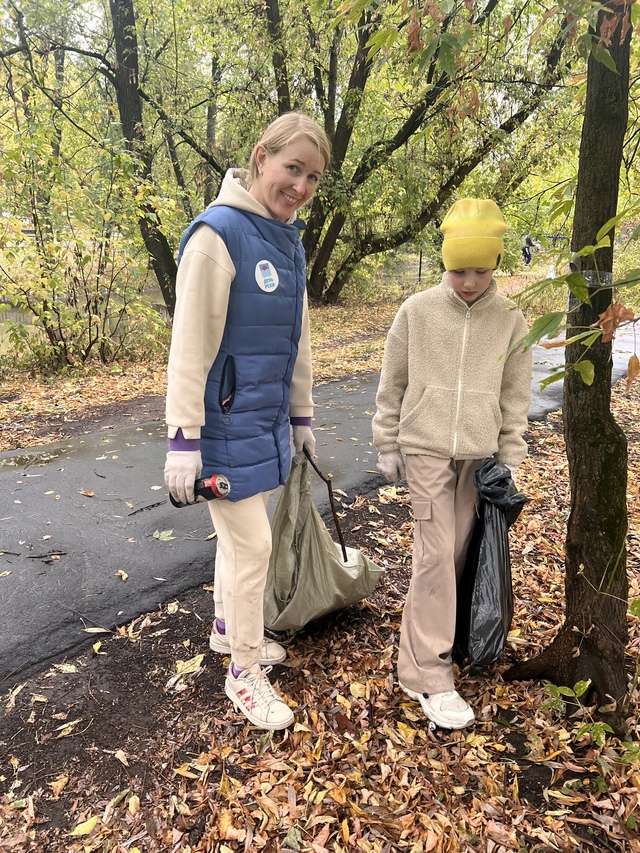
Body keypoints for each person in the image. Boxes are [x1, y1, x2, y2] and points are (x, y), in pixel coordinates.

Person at [164, 112, 331, 730]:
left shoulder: (287, 241)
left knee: (240, 545)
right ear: (261, 158)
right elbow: (190, 345)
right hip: (220, 426)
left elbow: (297, 339)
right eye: (293, 168)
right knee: (252, 546)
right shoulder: (218, 235)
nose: (301, 186)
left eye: (313, 176)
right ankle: (243, 673)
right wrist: (183, 439)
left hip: (262, 421)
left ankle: (227, 632)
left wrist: (301, 415)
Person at [372, 198, 532, 729]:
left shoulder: (510, 318)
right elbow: (391, 382)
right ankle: (427, 676)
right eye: (458, 269)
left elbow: (515, 395)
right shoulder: (417, 311)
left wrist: (510, 455)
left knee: (458, 553)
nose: (468, 281)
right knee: (436, 555)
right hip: (424, 447)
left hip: (478, 454)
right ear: (444, 262)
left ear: (496, 264)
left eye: (480, 270)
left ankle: (441, 643)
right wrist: (386, 442)